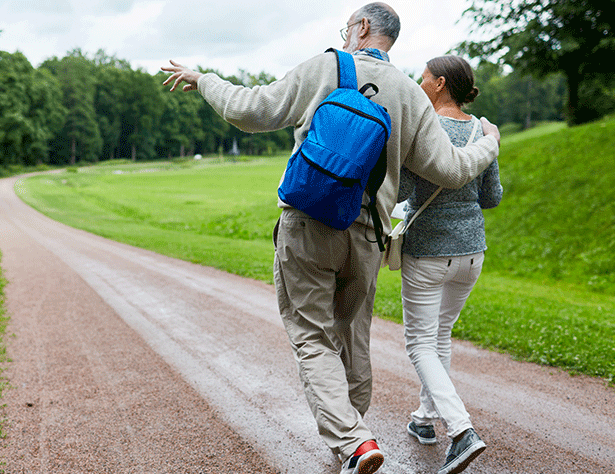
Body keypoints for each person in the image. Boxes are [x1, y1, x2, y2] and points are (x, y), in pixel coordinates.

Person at [162, 4, 501, 474]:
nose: (345, 35)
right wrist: (489, 143)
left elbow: (249, 111)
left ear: (362, 28)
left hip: (307, 224)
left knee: (312, 337)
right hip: (367, 235)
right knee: (353, 338)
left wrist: (205, 80)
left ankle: (354, 443)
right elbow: (451, 169)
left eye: (347, 28)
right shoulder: (410, 93)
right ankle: (352, 438)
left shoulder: (325, 66)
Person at [399, 55, 502, 474]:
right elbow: (491, 196)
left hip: (427, 252)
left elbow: (404, 188)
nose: (418, 83)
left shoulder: (423, 126)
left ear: (440, 83)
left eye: (423, 78)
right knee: (440, 336)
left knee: (419, 342)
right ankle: (425, 419)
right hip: (472, 253)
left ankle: (461, 431)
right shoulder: (483, 131)